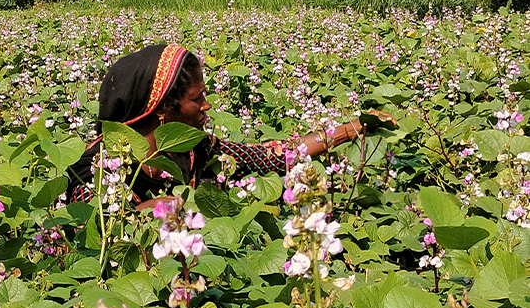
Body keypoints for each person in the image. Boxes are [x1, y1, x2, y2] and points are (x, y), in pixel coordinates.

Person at [67, 44, 395, 208]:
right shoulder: (96, 169)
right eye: (197, 99)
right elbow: (93, 229)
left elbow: (277, 156)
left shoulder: (197, 147)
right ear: (164, 108)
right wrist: (144, 214)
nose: (207, 106)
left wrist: (354, 127)